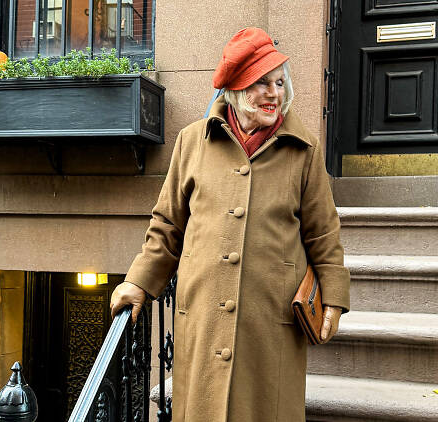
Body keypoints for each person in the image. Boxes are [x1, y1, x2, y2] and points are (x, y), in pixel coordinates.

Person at [110, 27, 350, 422]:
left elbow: (323, 231)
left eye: (278, 82)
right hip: (203, 317)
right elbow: (167, 224)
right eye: (261, 84)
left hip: (270, 320)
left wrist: (335, 296)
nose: (274, 93)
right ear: (237, 90)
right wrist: (138, 282)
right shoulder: (192, 142)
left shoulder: (303, 150)